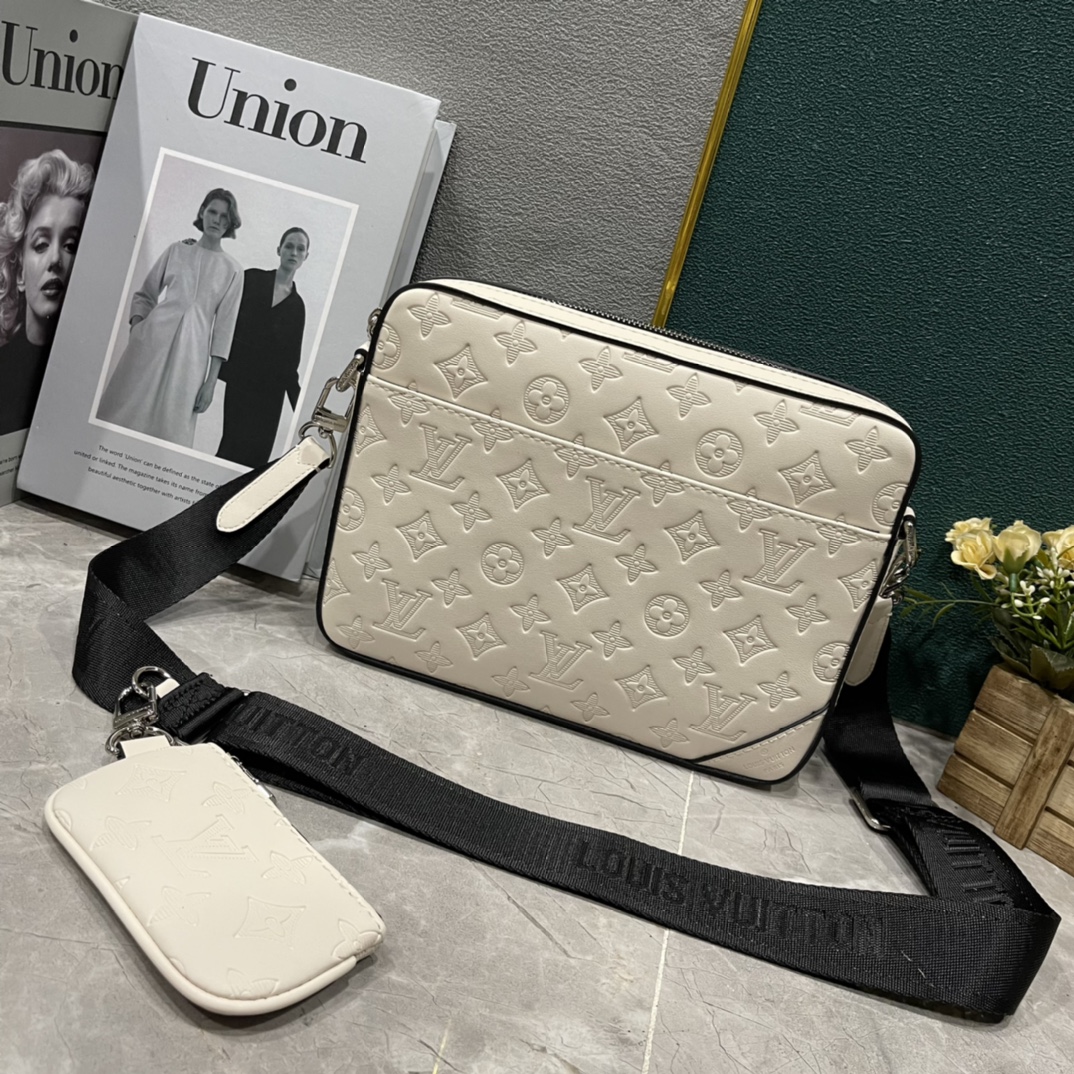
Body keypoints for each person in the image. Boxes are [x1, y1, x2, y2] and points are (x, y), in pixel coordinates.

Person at [97, 188, 244, 448]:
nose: (216, 220)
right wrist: (137, 332)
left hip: (191, 358)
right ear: (202, 212)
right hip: (149, 345)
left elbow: (224, 329)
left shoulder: (233, 270)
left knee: (171, 434)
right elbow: (145, 294)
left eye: (224, 216)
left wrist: (210, 383)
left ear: (230, 222)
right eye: (212, 212)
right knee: (120, 417)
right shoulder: (177, 250)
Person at [0, 149, 93, 436]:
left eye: (70, 246)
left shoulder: (92, 377)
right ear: (19, 272)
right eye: (41, 245)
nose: (55, 260)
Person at [216, 226, 309, 467]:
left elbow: (291, 363)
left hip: (271, 395)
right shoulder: (252, 279)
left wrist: (301, 408)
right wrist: (194, 249)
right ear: (279, 250)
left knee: (255, 462)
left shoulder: (297, 307)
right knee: (229, 448)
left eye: (300, 249)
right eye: (289, 246)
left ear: (305, 257)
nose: (294, 252)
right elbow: (218, 292)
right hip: (241, 383)